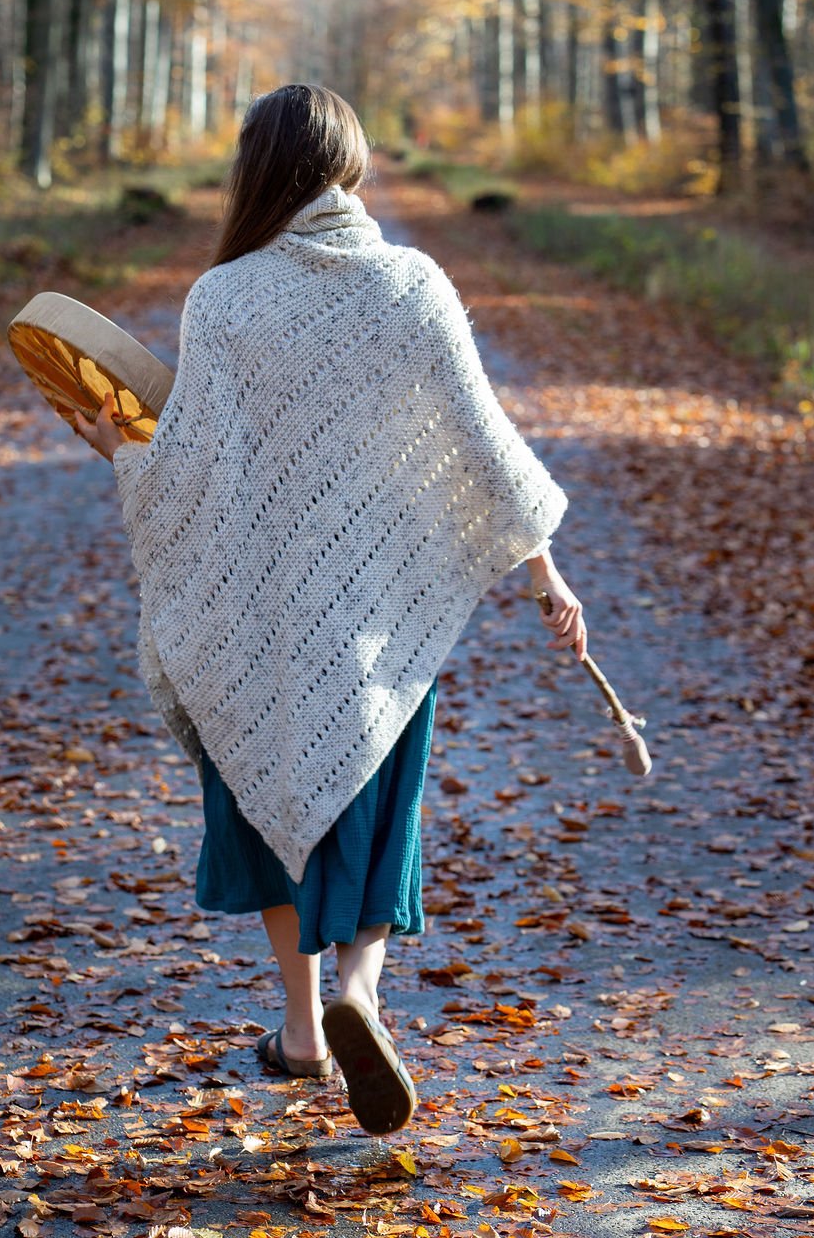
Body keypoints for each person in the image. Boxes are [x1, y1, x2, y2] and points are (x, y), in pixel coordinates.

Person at [74, 83, 586, 1137]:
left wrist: (120, 452)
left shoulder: (224, 298)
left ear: (255, 171)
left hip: (256, 616)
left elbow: (188, 472)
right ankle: (361, 984)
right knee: (376, 801)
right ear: (348, 164)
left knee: (271, 796)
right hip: (380, 617)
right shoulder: (413, 284)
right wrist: (544, 573)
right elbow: (479, 444)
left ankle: (304, 1032)